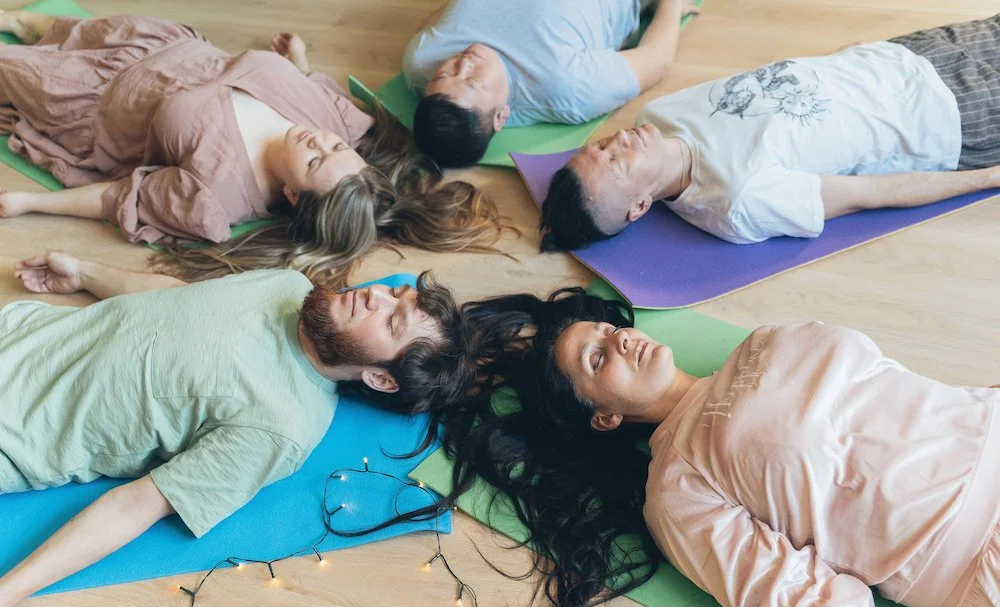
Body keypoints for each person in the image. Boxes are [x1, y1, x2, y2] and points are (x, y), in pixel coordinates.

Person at [418, 288, 1000, 607]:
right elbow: (806, 604)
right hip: (978, 557)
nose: (620, 338)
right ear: (604, 417)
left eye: (606, 330)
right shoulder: (676, 488)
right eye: (597, 359)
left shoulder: (763, 340)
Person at [0, 251, 478, 607]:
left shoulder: (280, 428)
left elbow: (137, 505)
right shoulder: (288, 285)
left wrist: (8, 594)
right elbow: (180, 297)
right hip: (16, 327)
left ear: (380, 378)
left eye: (392, 321)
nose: (377, 296)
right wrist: (85, 272)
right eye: (397, 294)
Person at [0, 13, 501, 286]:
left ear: (293, 195)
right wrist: (298, 58)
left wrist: (29, 203)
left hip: (92, 95)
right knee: (47, 26)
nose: (317, 140)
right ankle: (28, 26)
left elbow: (117, 197)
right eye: (332, 147)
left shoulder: (215, 198)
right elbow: (310, 87)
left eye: (315, 161)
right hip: (155, 40)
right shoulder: (340, 123)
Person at [541, 13, 1000, 251]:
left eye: (602, 145)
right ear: (640, 205)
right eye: (617, 162)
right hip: (950, 113)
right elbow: (872, 194)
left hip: (902, 56)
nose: (620, 140)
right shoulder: (737, 201)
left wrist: (841, 59)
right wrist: (988, 178)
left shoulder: (657, 115)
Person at [402, 0, 700, 168]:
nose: (464, 63)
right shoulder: (566, 89)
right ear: (501, 116)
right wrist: (671, 6)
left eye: (444, 75)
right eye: (473, 81)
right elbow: (655, 61)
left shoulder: (421, 62)